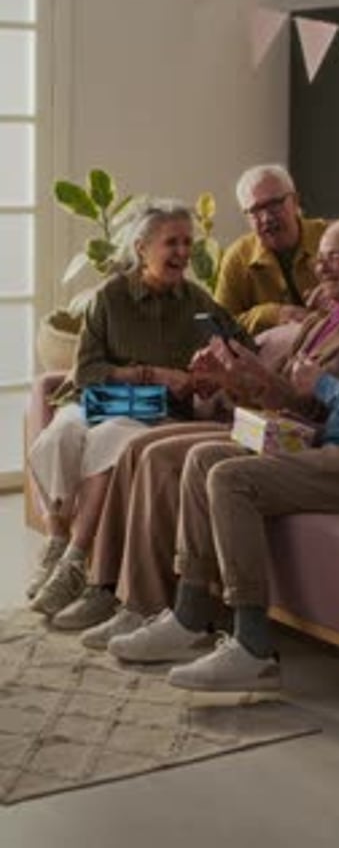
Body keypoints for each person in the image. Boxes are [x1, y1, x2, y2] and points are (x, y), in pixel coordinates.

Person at [106, 217, 339, 691]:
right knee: (203, 460)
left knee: (230, 479)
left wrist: (321, 385)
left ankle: (252, 647)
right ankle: (189, 616)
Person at [48, 204, 339, 643]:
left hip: (288, 436)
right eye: (320, 256)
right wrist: (223, 377)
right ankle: (109, 589)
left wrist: (231, 379)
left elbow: (315, 408)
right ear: (141, 248)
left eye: (333, 257)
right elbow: (274, 387)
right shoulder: (322, 323)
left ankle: (145, 604)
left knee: (151, 451)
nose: (320, 266)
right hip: (251, 420)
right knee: (137, 449)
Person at [28, 198, 248, 618]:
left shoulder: (198, 302)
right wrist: (153, 373)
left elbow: (240, 348)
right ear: (143, 247)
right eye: (172, 243)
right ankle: (57, 547)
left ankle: (74, 562)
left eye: (188, 242)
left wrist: (209, 375)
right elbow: (87, 369)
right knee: (61, 433)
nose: (183, 253)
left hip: (153, 414)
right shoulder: (109, 297)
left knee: (111, 441)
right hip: (98, 399)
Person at [214, 164, 328, 334]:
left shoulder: (332, 239)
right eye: (255, 210)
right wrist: (273, 315)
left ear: (295, 201)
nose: (267, 218)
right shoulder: (238, 257)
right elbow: (219, 325)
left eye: (275, 204)